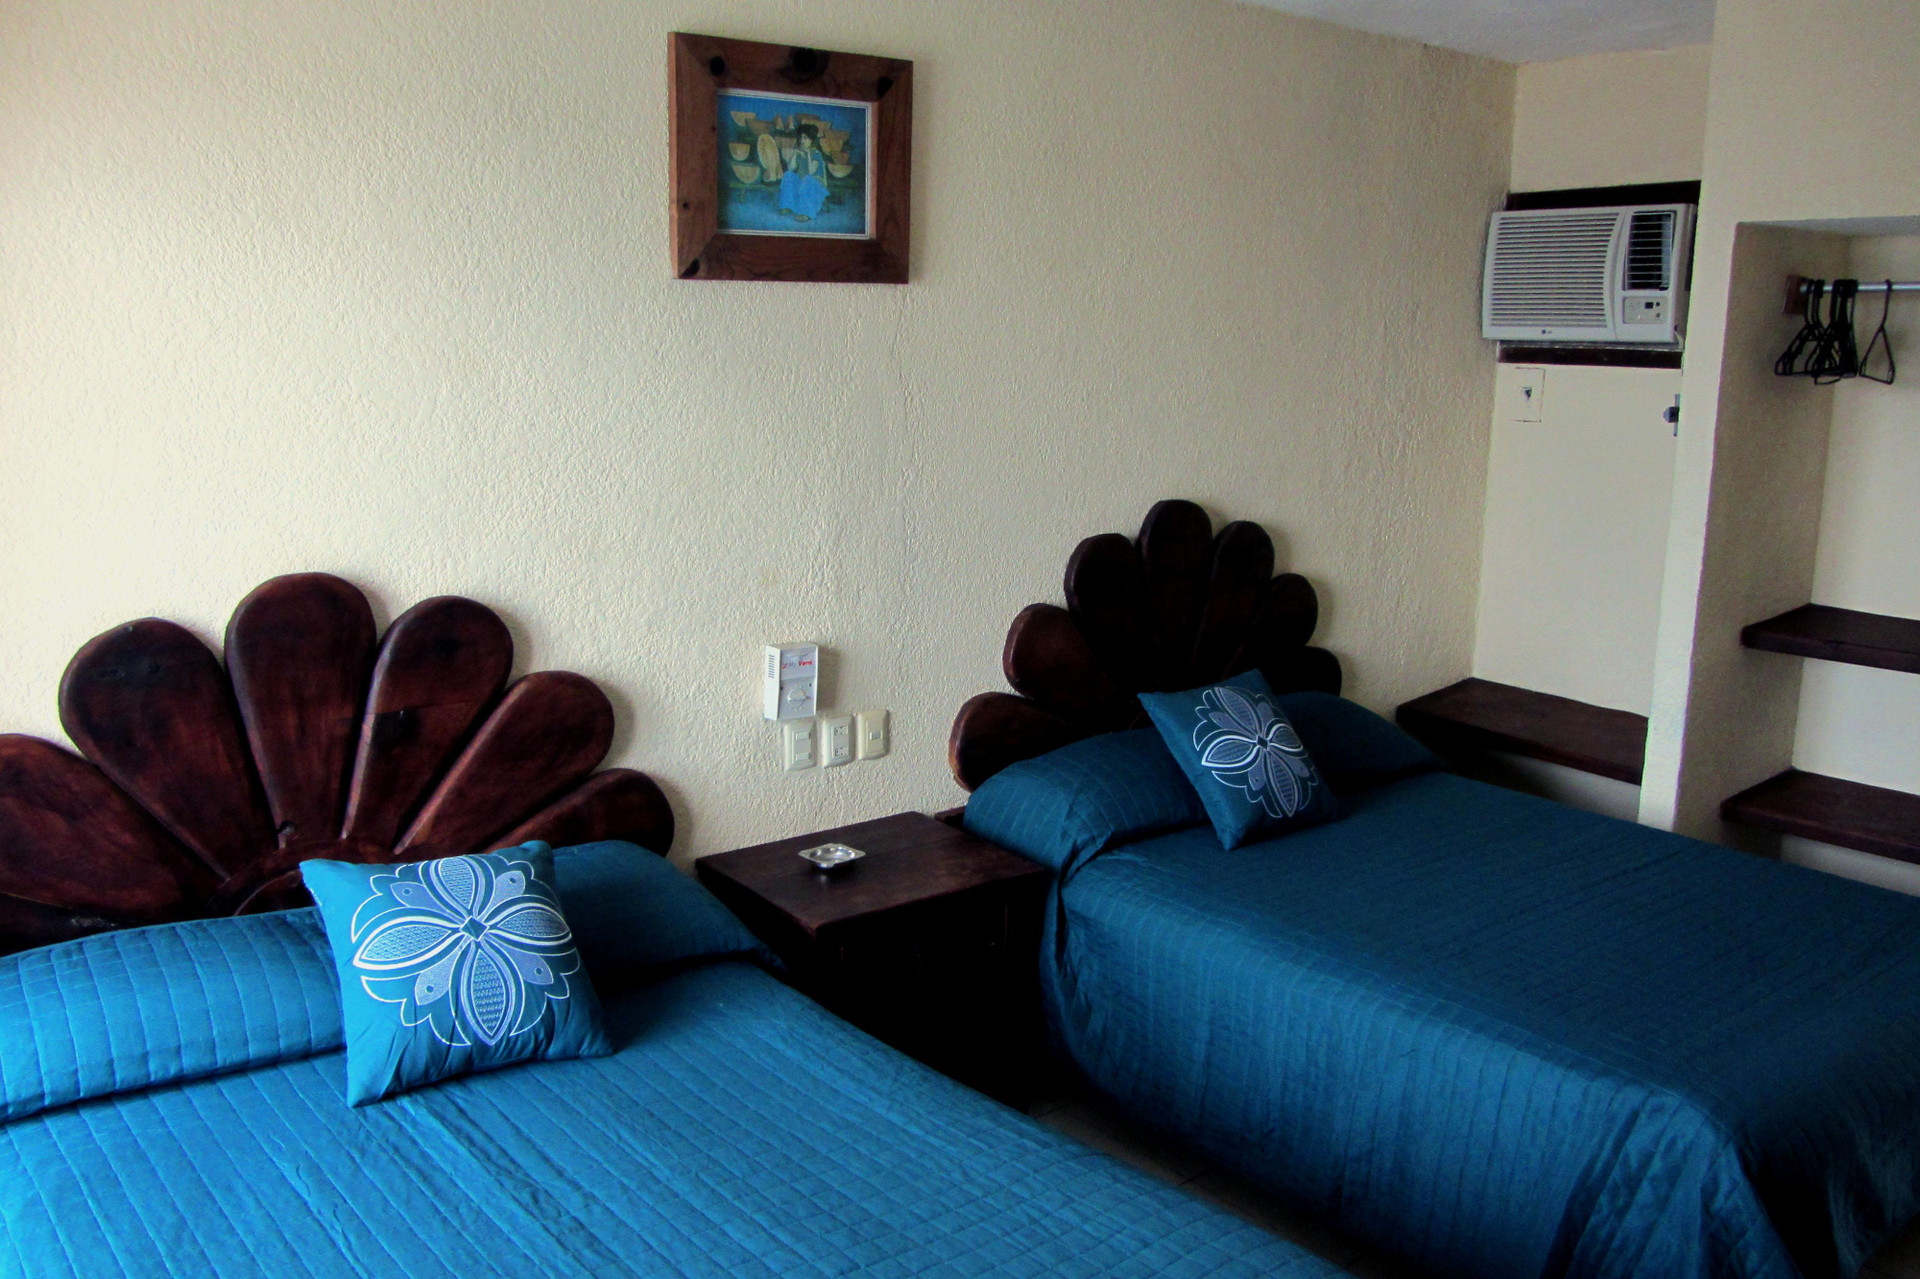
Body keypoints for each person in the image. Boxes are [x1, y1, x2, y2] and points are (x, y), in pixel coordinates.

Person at [776, 131, 830, 222]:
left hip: (816, 185)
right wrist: (794, 154)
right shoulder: (800, 152)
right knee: (788, 175)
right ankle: (788, 206)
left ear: (812, 140)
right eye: (801, 137)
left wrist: (808, 155)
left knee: (808, 179)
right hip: (802, 183)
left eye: (805, 138)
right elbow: (791, 168)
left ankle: (806, 213)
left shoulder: (816, 154)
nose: (802, 141)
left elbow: (811, 172)